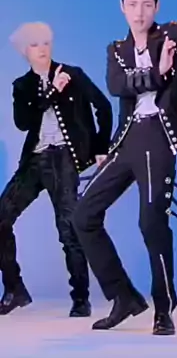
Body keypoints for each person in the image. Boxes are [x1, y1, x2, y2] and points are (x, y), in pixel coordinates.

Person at [72, 0, 177, 336]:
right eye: (132, 5)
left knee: (151, 223)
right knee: (83, 215)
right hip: (125, 141)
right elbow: (117, 85)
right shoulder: (117, 49)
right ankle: (123, 297)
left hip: (158, 139)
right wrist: (157, 73)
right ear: (122, 8)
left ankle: (164, 308)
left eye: (147, 4)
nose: (139, 12)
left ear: (157, 7)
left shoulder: (173, 35)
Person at [0, 22, 113, 317]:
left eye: (46, 42)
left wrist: (101, 148)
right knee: (1, 218)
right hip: (34, 160)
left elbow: (103, 107)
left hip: (64, 158)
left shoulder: (73, 74)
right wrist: (51, 92)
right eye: (35, 44)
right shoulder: (22, 85)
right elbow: (23, 122)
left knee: (68, 229)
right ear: (25, 51)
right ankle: (14, 289)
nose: (42, 49)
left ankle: (81, 298)